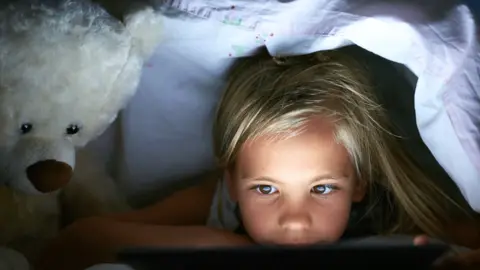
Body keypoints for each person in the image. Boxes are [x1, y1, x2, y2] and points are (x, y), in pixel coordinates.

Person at [36, 46, 480, 270]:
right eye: (265, 189)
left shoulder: (390, 213)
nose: (295, 221)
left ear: (358, 181)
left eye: (322, 188)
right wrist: (226, 247)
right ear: (231, 182)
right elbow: (73, 245)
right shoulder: (217, 208)